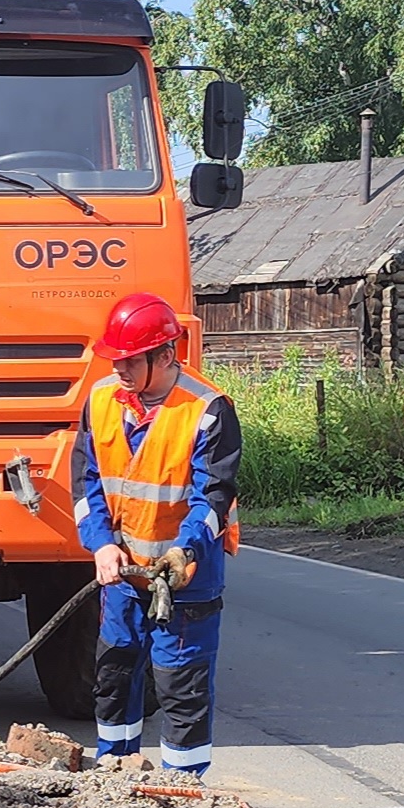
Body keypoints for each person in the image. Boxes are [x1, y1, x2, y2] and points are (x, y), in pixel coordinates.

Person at [73, 293, 241, 778]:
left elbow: (212, 498)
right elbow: (87, 483)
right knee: (114, 673)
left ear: (166, 355)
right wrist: (101, 542)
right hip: (124, 572)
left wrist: (183, 551)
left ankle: (182, 790)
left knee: (180, 683)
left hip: (186, 576)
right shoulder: (102, 401)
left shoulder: (207, 410)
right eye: (116, 359)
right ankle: (114, 773)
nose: (120, 370)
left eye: (130, 360)